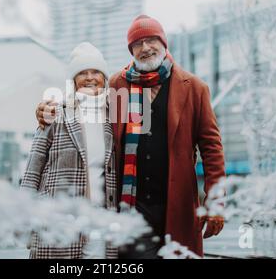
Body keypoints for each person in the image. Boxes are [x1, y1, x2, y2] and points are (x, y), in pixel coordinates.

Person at [36, 15, 226, 258]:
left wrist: (216, 203)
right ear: (131, 50)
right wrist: (47, 108)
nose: (145, 48)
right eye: (138, 43)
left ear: (163, 42)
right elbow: (82, 101)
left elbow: (212, 149)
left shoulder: (195, 88)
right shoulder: (116, 84)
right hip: (131, 209)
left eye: (151, 40)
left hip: (177, 205)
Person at [20, 42, 118, 259]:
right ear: (73, 80)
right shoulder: (55, 113)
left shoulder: (114, 118)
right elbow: (33, 168)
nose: (90, 77)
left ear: (104, 78)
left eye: (96, 72)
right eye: (83, 72)